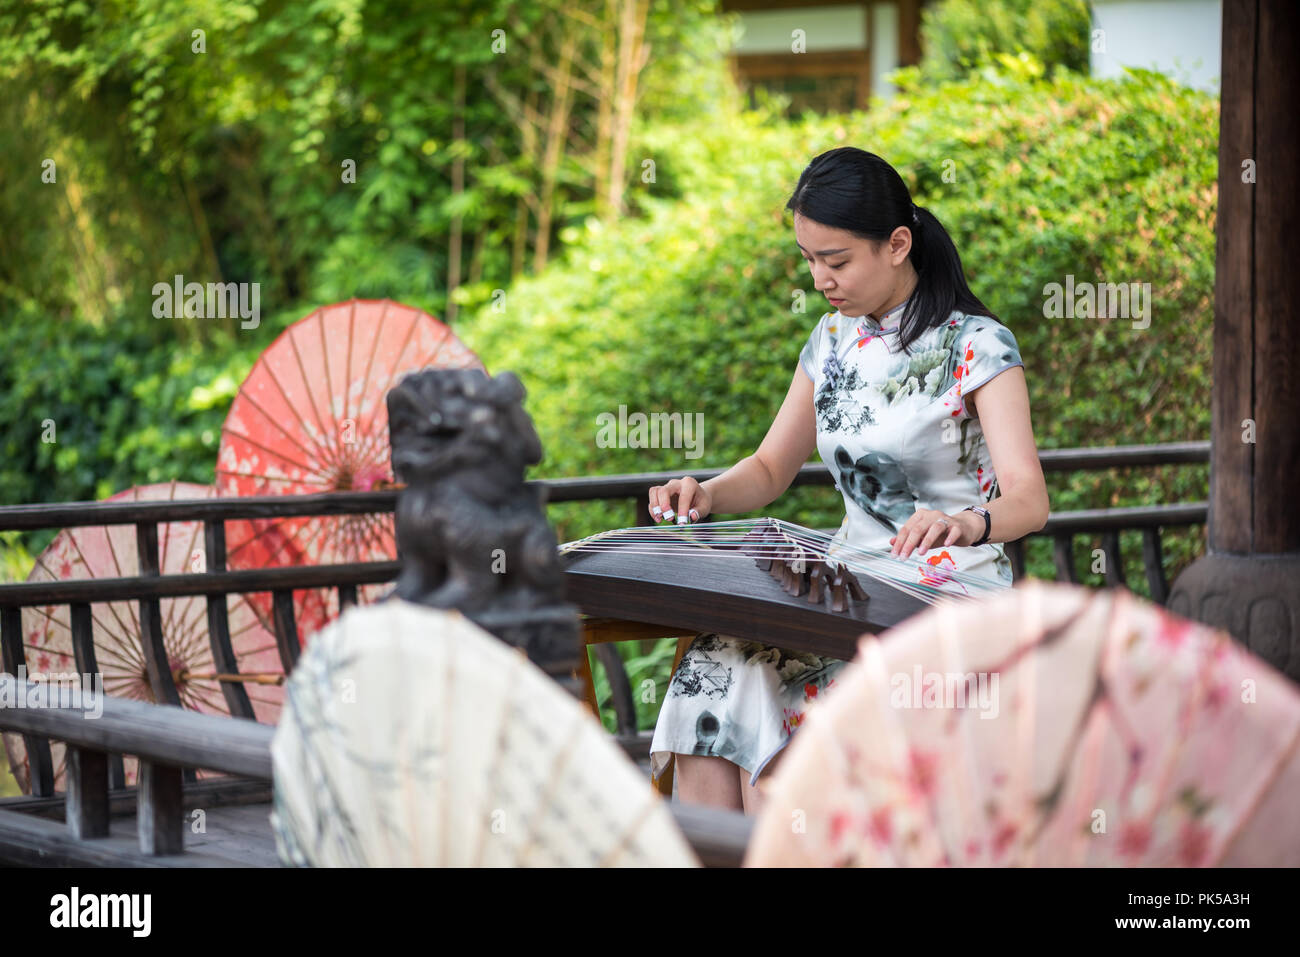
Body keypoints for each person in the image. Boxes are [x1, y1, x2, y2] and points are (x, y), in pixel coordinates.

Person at [645, 147, 1050, 815]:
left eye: (836, 261)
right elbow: (772, 466)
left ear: (897, 244)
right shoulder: (833, 339)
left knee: (797, 709)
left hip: (943, 590)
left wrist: (968, 519)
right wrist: (707, 493)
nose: (820, 278)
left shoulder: (977, 345)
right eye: (809, 259)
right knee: (714, 668)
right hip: (848, 586)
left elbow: (1029, 499)